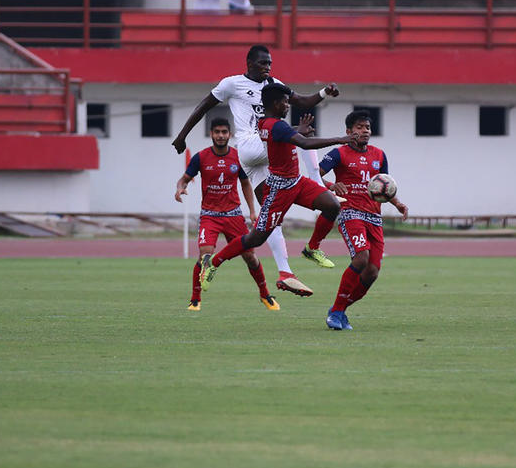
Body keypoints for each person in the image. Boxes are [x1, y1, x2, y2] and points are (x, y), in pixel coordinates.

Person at [171, 45, 341, 295]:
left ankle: (285, 272)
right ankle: (319, 181)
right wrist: (182, 136)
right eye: (263, 63)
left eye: (270, 63)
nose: (268, 67)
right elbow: (203, 106)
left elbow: (303, 100)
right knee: (300, 136)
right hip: (251, 146)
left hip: (262, 155)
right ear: (249, 63)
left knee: (268, 223)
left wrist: (324, 92)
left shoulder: (274, 85)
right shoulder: (232, 84)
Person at [198, 84, 355, 291]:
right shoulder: (276, 125)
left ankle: (312, 248)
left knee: (332, 205)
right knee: (257, 237)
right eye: (285, 102)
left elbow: (286, 136)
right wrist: (341, 139)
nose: (288, 105)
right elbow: (305, 144)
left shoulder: (267, 123)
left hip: (296, 182)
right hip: (278, 189)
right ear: (275, 103)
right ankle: (213, 263)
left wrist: (298, 131)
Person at [301, 110, 409, 330]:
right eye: (359, 127)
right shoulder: (338, 153)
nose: (364, 131)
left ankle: (339, 309)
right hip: (351, 213)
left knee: (372, 272)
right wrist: (332, 186)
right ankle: (337, 312)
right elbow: (314, 175)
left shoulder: (379, 155)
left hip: (374, 217)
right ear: (349, 131)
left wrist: (397, 203)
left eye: (367, 128)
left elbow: (384, 185)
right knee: (361, 259)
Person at [175, 118, 275, 311]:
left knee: (250, 257)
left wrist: (253, 211)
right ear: (211, 134)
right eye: (217, 132)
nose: (220, 136)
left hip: (234, 216)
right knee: (204, 256)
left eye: (224, 132)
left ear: (230, 134)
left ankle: (265, 295)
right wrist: (180, 188)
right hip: (209, 216)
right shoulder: (201, 157)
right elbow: (184, 179)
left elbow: (246, 184)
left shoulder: (238, 157)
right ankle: (195, 299)